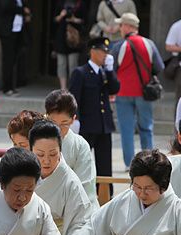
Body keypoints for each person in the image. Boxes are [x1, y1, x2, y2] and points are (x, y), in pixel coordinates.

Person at [20, 120, 94, 235]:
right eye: (40, 155)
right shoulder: (20, 169)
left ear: (60, 150)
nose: (46, 161)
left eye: (53, 154)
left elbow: (81, 221)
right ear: (30, 150)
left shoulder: (70, 181)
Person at [110, 12, 164, 168]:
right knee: (146, 128)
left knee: (126, 131)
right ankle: (150, 162)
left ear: (127, 26)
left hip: (123, 92)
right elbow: (159, 67)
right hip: (144, 93)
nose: (120, 28)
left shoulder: (119, 46)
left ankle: (129, 164)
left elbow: (112, 69)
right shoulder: (149, 44)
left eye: (121, 25)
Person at [69, 37, 120, 188]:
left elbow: (115, 89)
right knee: (82, 162)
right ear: (92, 51)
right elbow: (74, 98)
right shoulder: (80, 72)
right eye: (102, 51)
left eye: (106, 52)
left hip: (104, 125)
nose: (105, 55)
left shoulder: (104, 73)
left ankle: (105, 193)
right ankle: (78, 190)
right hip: (87, 125)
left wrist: (110, 71)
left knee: (105, 164)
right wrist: (75, 119)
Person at [44, 89, 98, 206]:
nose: (57, 128)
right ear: (46, 117)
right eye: (53, 122)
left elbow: (84, 187)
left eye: (64, 123)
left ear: (73, 119)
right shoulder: (35, 139)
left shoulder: (80, 145)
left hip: (74, 208)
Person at [0, 0, 29, 96]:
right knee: (8, 59)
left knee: (14, 58)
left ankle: (13, 85)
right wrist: (23, 10)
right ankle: (7, 88)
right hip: (6, 30)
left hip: (18, 30)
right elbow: (5, 7)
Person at [53, 0, 85, 90]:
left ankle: (72, 87)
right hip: (61, 36)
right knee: (61, 63)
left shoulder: (80, 3)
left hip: (74, 37)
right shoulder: (60, 3)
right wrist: (61, 15)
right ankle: (63, 88)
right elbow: (54, 20)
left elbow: (85, 20)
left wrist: (74, 19)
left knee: (73, 64)